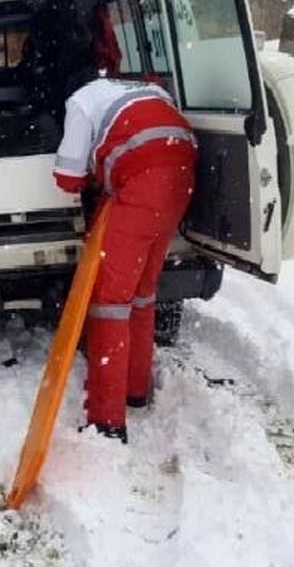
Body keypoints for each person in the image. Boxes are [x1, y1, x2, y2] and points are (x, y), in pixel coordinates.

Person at [51, 40, 198, 444]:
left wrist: (89, 179)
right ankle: (135, 390)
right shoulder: (147, 89)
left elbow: (67, 176)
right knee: (142, 294)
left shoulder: (80, 103)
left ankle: (107, 420)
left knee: (109, 303)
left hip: (143, 184)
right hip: (183, 173)